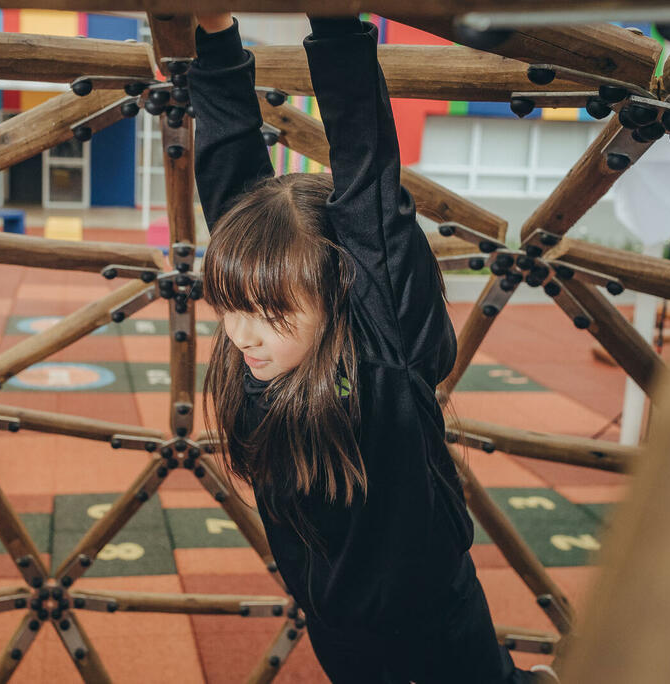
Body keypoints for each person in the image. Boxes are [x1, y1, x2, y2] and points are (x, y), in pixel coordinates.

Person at [187, 13, 558, 684]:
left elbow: (367, 170)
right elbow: (230, 170)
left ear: (342, 292)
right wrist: (214, 32)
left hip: (433, 614)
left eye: (267, 314)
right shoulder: (262, 350)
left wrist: (334, 26)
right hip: (334, 622)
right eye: (230, 307)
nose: (240, 334)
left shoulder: (380, 355)